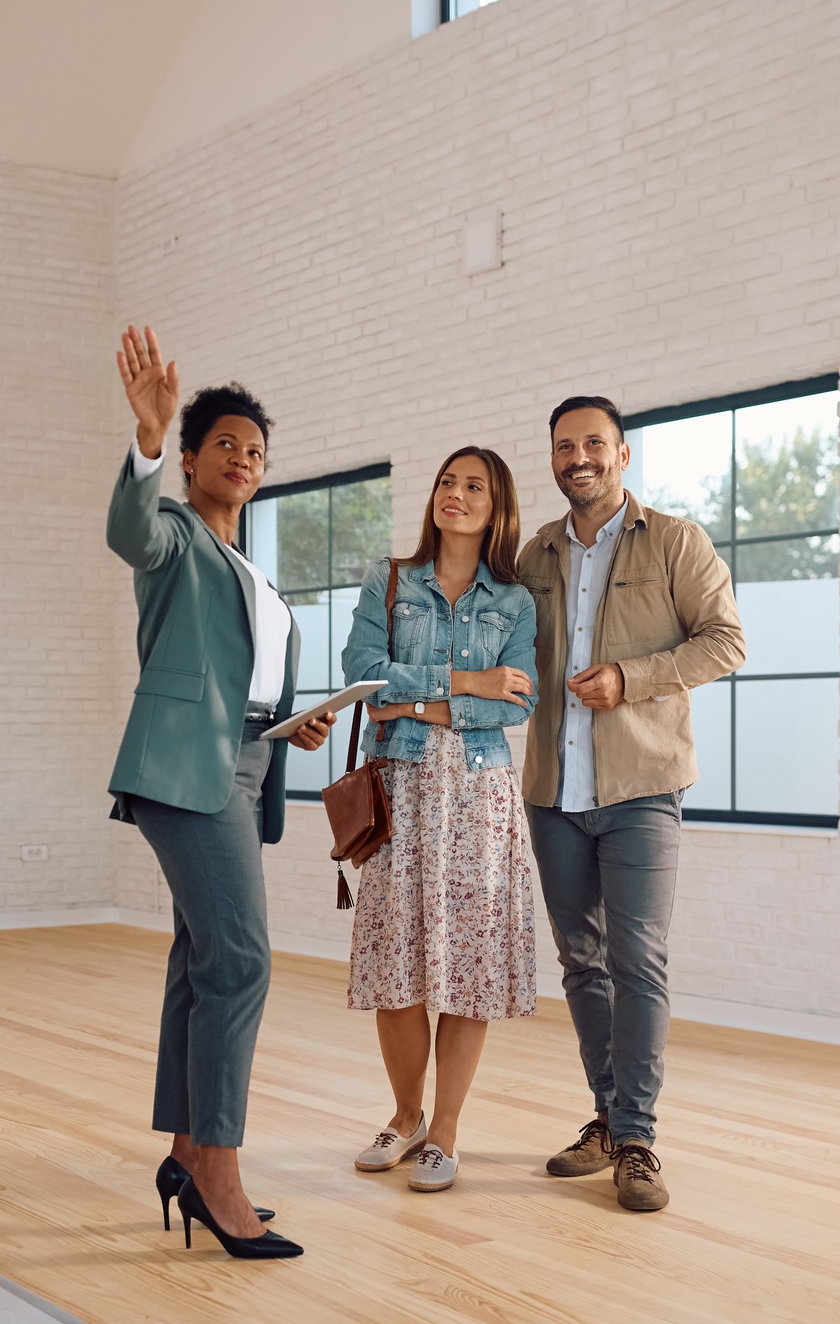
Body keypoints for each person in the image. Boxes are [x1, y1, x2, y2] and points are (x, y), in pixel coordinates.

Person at [106, 326, 334, 1260]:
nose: (243, 459)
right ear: (193, 458)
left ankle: (188, 1147)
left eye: (256, 451)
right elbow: (129, 530)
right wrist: (148, 437)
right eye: (226, 445)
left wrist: (292, 726)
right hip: (184, 770)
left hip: (246, 761)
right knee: (241, 962)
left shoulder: (253, 572)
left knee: (202, 959)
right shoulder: (173, 540)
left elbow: (247, 686)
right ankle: (221, 1175)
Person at [517, 395, 745, 1213]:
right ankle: (609, 1120)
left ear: (622, 455)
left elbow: (726, 639)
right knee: (581, 962)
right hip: (552, 792)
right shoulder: (535, 554)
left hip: (643, 787)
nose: (578, 456)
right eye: (564, 445)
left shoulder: (676, 541)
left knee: (637, 960)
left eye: (593, 443)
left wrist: (629, 678)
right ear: (553, 458)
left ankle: (638, 1136)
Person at [339, 446, 539, 1194]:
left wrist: (413, 696)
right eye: (447, 482)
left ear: (496, 505)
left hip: (481, 798)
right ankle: (405, 1113)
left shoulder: (515, 602)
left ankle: (446, 1129)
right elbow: (363, 677)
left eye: (473, 486)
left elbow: (518, 702)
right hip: (402, 788)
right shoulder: (388, 583)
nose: (455, 494)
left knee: (467, 966)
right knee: (397, 964)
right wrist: (464, 681)